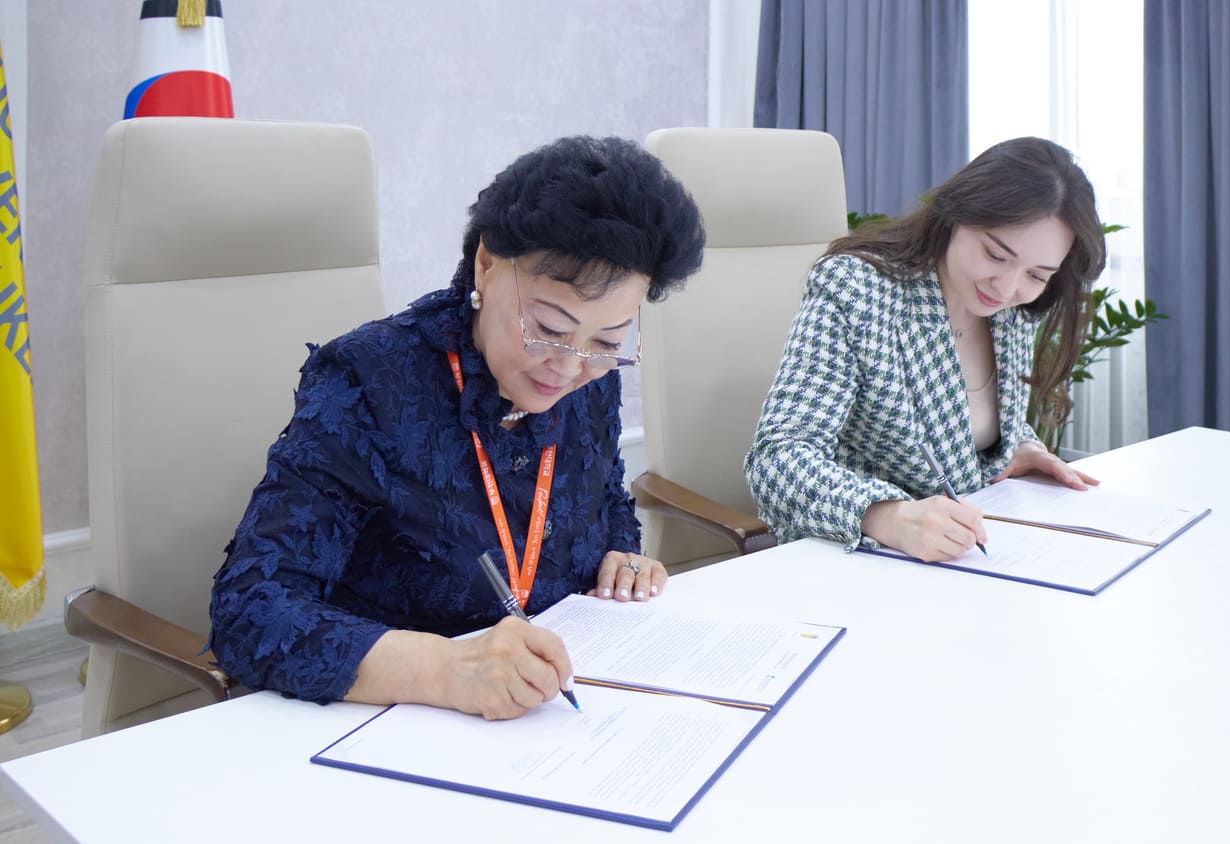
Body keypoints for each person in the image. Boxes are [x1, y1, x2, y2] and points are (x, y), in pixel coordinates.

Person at [210, 136, 705, 720]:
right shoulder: (369, 381)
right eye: (549, 329)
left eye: (606, 341)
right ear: (487, 265)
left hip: (555, 710)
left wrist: (621, 554)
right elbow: (250, 610)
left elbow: (605, 497)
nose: (569, 367)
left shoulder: (589, 381)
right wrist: (447, 669)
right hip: (393, 721)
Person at [745, 137, 1106, 563]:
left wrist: (1018, 446)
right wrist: (886, 515)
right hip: (854, 558)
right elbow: (776, 459)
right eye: (995, 254)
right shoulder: (857, 290)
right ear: (956, 214)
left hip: (965, 558)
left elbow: (959, 426)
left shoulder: (1011, 312)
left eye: (1037, 275)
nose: (1007, 287)